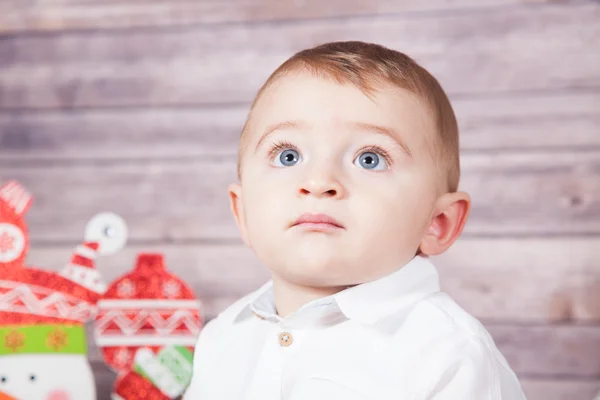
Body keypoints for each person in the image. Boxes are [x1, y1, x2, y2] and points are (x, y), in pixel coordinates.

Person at [184, 41, 527, 399]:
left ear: (437, 221)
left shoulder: (449, 354)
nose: (318, 182)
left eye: (370, 159)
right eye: (288, 156)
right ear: (242, 212)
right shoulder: (222, 338)